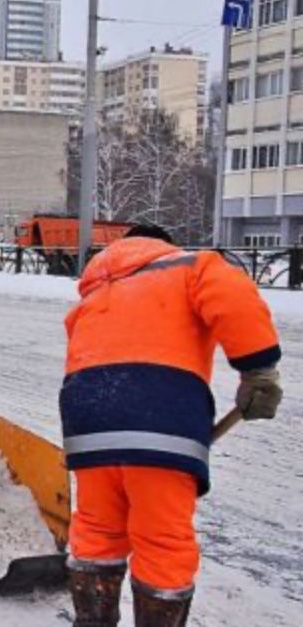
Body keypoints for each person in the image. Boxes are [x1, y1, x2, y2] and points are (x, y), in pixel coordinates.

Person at [60, 224, 283, 626]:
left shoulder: (95, 292)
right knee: (161, 538)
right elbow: (232, 297)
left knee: (97, 528)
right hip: (157, 414)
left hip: (87, 417)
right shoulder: (189, 266)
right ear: (163, 245)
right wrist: (258, 371)